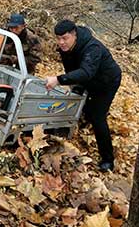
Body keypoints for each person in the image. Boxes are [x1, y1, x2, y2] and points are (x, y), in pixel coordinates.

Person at [45, 19, 122, 172]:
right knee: (80, 103)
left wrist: (59, 80)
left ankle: (107, 159)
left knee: (98, 117)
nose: (61, 42)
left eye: (65, 38)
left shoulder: (92, 48)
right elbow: (72, 68)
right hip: (86, 78)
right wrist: (74, 84)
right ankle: (79, 120)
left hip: (106, 82)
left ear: (74, 35)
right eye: (58, 38)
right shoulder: (66, 47)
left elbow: (87, 71)